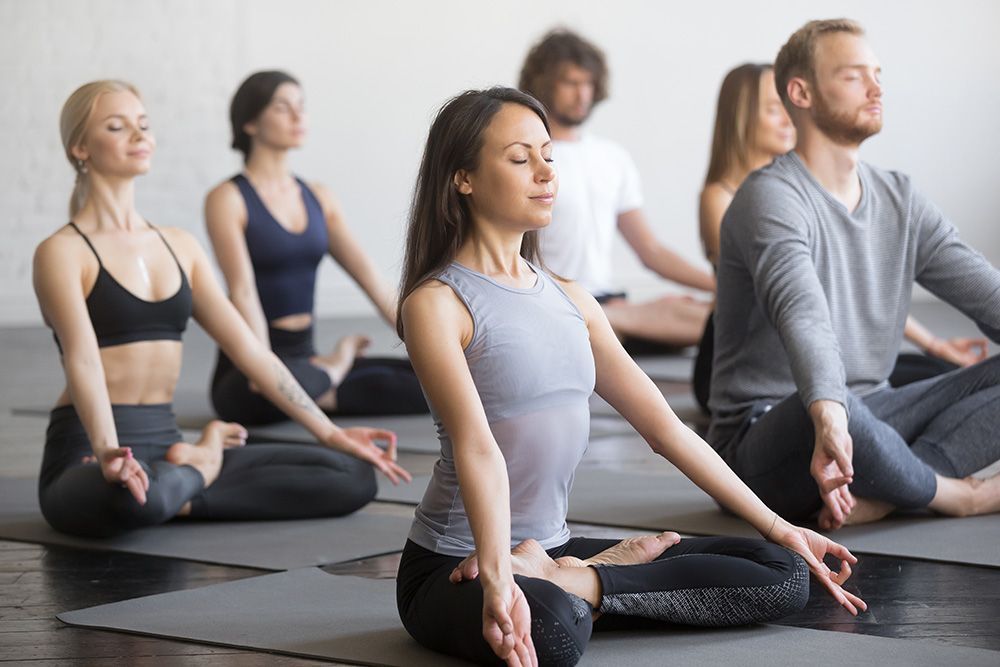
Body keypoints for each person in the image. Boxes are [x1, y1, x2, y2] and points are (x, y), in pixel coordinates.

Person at [394, 87, 865, 667]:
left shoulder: (572, 300)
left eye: (548, 155)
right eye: (520, 159)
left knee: (785, 573)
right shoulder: (439, 304)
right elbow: (477, 447)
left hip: (550, 551)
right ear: (462, 177)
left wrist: (779, 525)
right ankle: (580, 582)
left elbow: (667, 431)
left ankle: (578, 578)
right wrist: (498, 576)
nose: (545, 172)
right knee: (551, 633)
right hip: (453, 563)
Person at [33, 80, 409, 538]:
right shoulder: (63, 252)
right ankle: (203, 462)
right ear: (80, 147)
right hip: (89, 450)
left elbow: (251, 351)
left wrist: (330, 433)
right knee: (128, 495)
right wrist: (108, 449)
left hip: (167, 444)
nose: (138, 136)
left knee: (352, 475)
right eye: (117, 126)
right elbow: (83, 358)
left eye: (144, 125)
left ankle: (186, 477)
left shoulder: (179, 246)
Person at [708, 19, 1000, 532]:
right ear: (801, 92)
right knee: (827, 405)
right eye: (853, 76)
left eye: (878, 73)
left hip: (873, 417)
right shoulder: (770, 197)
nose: (877, 87)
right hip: (767, 440)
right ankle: (952, 495)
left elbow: (984, 289)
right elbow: (803, 314)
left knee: (863, 412)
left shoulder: (900, 198)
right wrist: (831, 415)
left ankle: (892, 490)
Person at [692, 62, 984, 413]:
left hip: (816, 346)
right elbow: (803, 297)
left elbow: (852, 293)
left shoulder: (806, 192)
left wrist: (935, 344)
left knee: (940, 373)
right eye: (774, 110)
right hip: (759, 364)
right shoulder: (724, 197)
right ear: (741, 119)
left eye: (790, 107)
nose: (789, 118)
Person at [205, 71, 427, 425]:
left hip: (306, 360)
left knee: (432, 382)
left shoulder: (319, 198)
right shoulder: (228, 199)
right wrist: (267, 373)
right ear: (250, 122)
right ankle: (337, 363)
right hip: (249, 370)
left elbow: (370, 278)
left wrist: (430, 343)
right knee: (271, 389)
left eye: (301, 107)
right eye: (282, 107)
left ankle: (325, 378)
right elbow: (242, 292)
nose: (297, 117)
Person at [519, 29, 714, 351]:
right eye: (570, 83)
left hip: (606, 301)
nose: (582, 94)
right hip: (547, 298)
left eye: (589, 84)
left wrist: (723, 287)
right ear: (544, 82)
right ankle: (600, 322)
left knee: (716, 318)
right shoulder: (524, 157)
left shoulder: (612, 158)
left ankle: (608, 321)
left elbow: (650, 250)